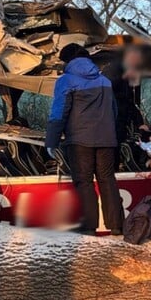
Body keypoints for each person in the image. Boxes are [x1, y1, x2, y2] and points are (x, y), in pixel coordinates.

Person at [45, 43, 124, 235]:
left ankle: (89, 227)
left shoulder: (66, 80)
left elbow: (59, 112)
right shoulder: (104, 81)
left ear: (68, 60)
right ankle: (116, 226)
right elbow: (113, 111)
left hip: (79, 139)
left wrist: (51, 140)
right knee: (107, 179)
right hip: (106, 139)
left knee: (84, 181)